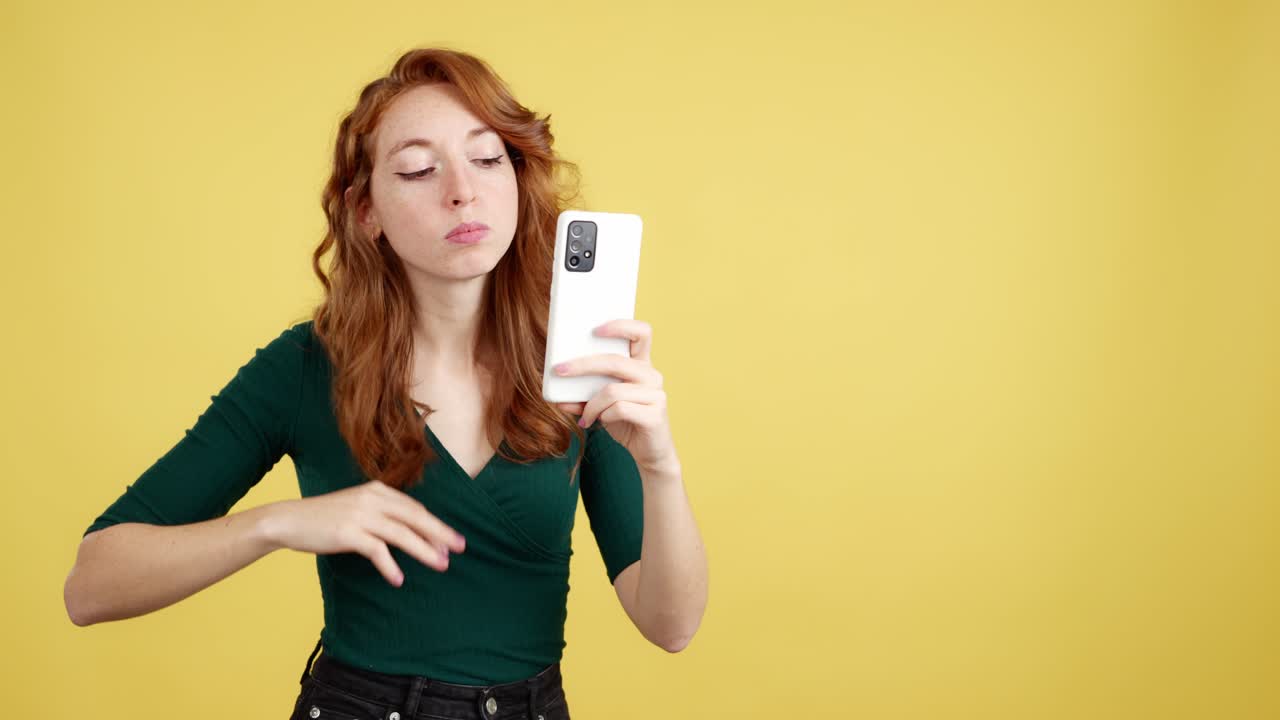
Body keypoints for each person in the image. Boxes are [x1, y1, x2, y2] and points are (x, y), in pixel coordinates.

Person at [63, 47, 708, 719]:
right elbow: (92, 585)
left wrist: (659, 465)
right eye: (418, 169)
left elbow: (672, 625)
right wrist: (280, 524)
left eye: (488, 159)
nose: (461, 189)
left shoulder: (576, 364)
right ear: (366, 211)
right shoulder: (308, 365)